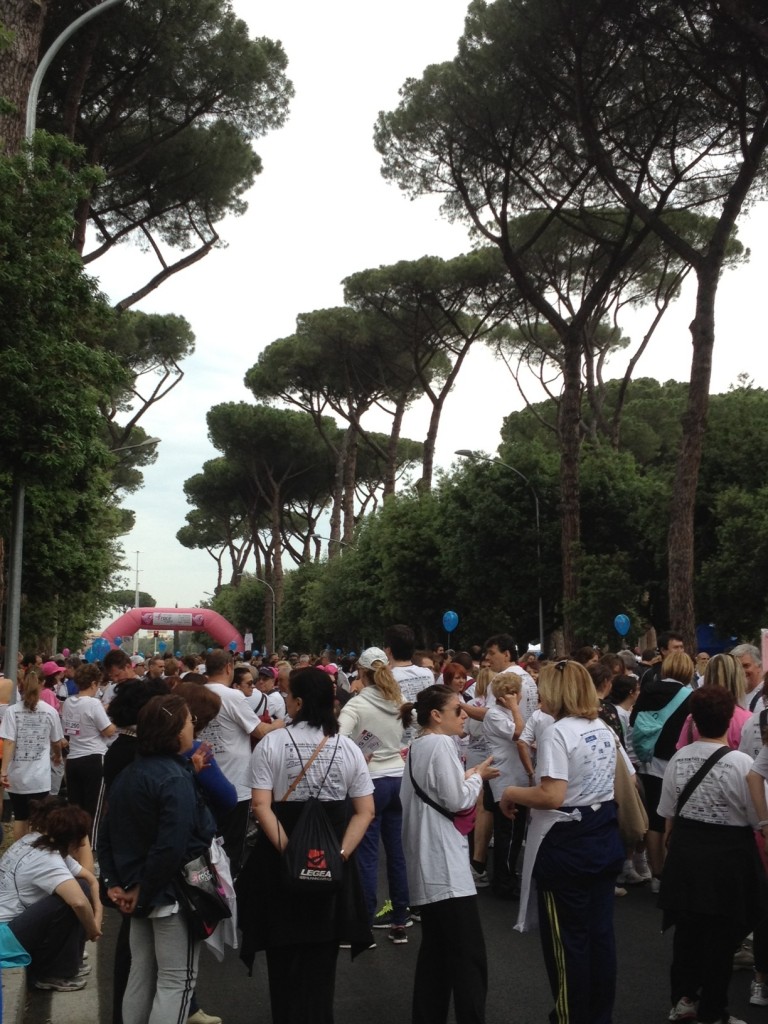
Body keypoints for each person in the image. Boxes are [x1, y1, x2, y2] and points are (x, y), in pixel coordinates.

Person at [244, 667, 375, 1024]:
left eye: (288, 695)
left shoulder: (272, 743)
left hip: (280, 864)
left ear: (299, 702)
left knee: (283, 957)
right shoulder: (347, 748)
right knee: (322, 959)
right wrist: (340, 854)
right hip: (330, 865)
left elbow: (260, 806)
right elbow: (365, 811)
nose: (285, 700)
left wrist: (290, 852)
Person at [500, 660, 625, 1024]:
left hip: (567, 842)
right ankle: (599, 1015)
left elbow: (552, 795)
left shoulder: (558, 732)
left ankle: (570, 1016)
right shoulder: (601, 726)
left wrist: (510, 791)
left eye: (543, 687)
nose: (538, 694)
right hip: (602, 832)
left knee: (567, 942)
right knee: (600, 938)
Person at [97, 694, 217, 1024]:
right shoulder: (174, 778)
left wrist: (118, 885)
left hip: (138, 893)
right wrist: (142, 890)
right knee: (178, 981)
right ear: (175, 730)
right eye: (190, 722)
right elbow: (172, 846)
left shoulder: (130, 774)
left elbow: (105, 836)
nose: (194, 728)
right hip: (172, 894)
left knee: (142, 975)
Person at [659, 687, 764, 1024]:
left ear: (695, 720)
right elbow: (753, 816)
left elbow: (668, 811)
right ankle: (714, 1011)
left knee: (687, 932)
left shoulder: (679, 758)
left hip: (687, 851)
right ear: (729, 719)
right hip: (728, 856)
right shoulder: (741, 762)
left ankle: (684, 1000)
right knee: (722, 938)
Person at [400, 684, 498, 1024]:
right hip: (445, 866)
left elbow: (439, 791)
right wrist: (478, 778)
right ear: (436, 715)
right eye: (458, 710)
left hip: (427, 860)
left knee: (436, 957)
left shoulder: (418, 746)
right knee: (469, 959)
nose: (464, 715)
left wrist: (469, 775)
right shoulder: (441, 743)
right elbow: (457, 799)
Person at [338, 646, 411, 942]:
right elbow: (417, 727)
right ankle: (399, 921)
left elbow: (338, 740)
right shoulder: (400, 700)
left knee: (366, 855)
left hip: (370, 783)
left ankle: (363, 925)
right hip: (399, 778)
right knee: (397, 853)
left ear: (362, 673)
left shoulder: (356, 705)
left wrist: (358, 754)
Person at [0, 798, 101, 992]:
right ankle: (51, 973)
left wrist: (96, 921)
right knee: (69, 901)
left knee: (80, 888)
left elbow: (90, 879)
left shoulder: (37, 840)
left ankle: (70, 961)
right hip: (5, 937)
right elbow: (79, 902)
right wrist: (92, 930)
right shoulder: (47, 858)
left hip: (12, 926)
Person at [0, 671, 64, 839]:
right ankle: (35, 856)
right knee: (39, 820)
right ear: (42, 685)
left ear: (20, 685)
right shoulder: (50, 711)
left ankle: (18, 853)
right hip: (39, 777)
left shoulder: (12, 712)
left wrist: (3, 771)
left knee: (20, 817)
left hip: (17, 775)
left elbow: (8, 742)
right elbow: (56, 741)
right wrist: (58, 756)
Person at [62, 662, 117, 836]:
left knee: (75, 807)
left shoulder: (69, 702)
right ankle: (91, 846)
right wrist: (118, 722)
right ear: (94, 683)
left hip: (73, 758)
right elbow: (108, 731)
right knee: (94, 808)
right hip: (94, 757)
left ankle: (74, 842)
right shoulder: (93, 704)